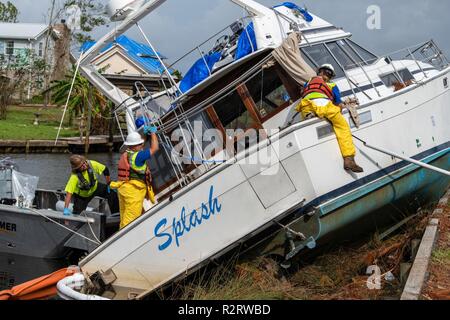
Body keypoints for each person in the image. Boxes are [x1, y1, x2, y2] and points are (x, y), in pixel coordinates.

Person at [297, 64, 364, 173]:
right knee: (342, 126)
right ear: (331, 76)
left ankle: (310, 114)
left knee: (307, 111)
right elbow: (338, 103)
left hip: (306, 106)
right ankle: (349, 160)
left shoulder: (307, 83)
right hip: (324, 105)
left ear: (319, 72)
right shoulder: (332, 84)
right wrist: (340, 108)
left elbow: (304, 94)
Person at [111, 126, 159, 229]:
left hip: (123, 189)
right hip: (133, 192)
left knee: (124, 218)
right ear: (135, 146)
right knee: (130, 222)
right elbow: (155, 148)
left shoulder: (127, 153)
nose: (142, 145)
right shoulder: (138, 156)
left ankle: (122, 238)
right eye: (140, 144)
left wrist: (145, 136)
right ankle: (125, 241)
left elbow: (139, 146)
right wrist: (154, 133)